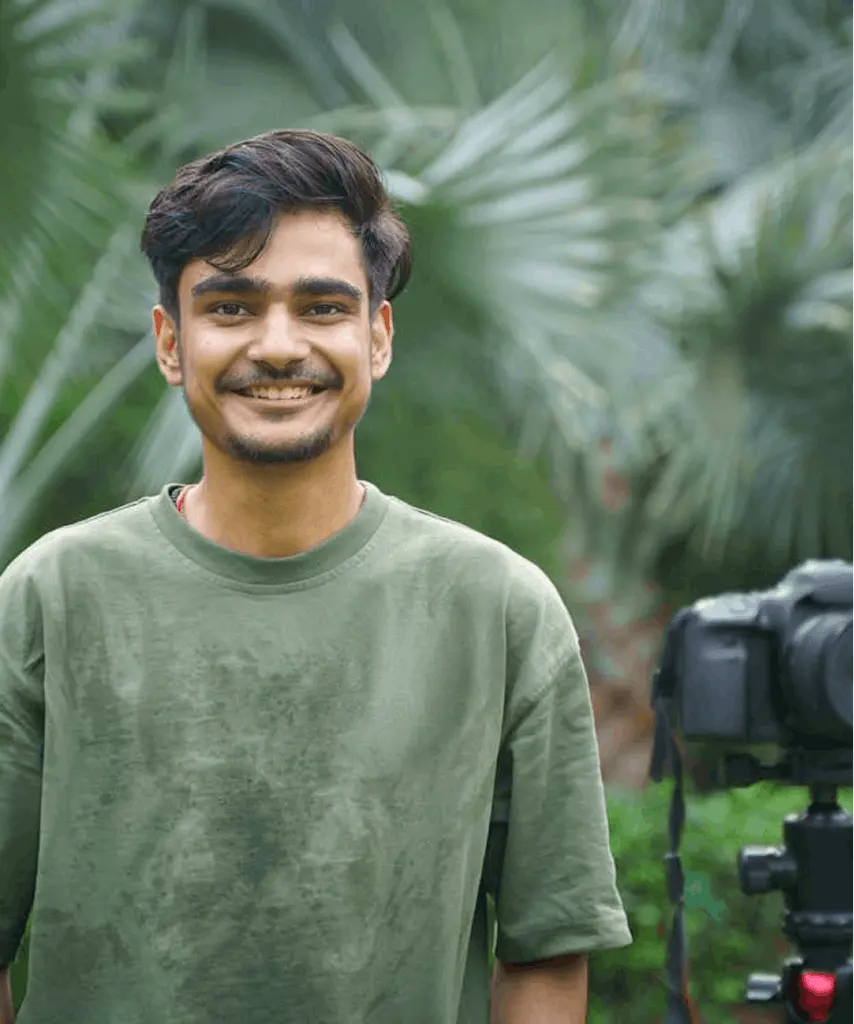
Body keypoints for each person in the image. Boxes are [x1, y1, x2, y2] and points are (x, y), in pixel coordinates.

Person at [0, 129, 632, 1024]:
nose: (279, 344)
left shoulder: (498, 610)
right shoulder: (48, 599)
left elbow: (544, 955)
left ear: (376, 335)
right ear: (170, 343)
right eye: (230, 306)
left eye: (323, 306)